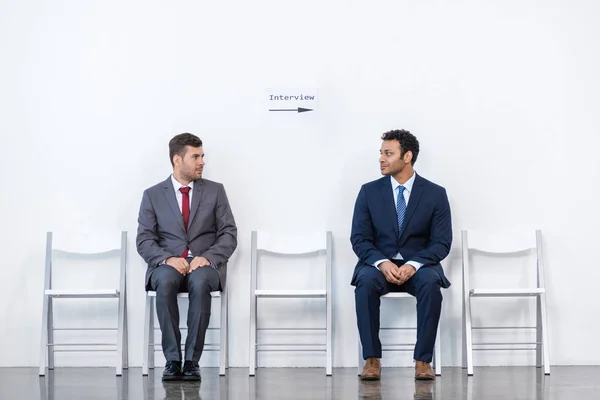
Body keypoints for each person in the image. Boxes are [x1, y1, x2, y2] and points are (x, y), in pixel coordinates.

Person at [351, 129, 452, 381]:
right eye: (381, 153)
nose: (381, 159)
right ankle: (372, 359)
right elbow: (359, 239)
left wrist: (414, 264)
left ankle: (423, 360)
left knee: (431, 283)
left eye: (388, 153)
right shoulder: (368, 192)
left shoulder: (435, 194)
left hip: (419, 265)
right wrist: (382, 262)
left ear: (407, 156)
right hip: (379, 265)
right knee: (364, 283)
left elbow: (441, 242)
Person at [136, 133, 237, 381]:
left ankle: (192, 361)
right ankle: (172, 360)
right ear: (177, 159)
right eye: (196, 156)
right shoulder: (152, 195)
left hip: (204, 265)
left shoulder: (215, 191)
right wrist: (167, 259)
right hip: (167, 264)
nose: (202, 161)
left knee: (200, 281)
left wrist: (209, 257)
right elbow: (144, 239)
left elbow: (228, 233)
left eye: (202, 156)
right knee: (166, 281)